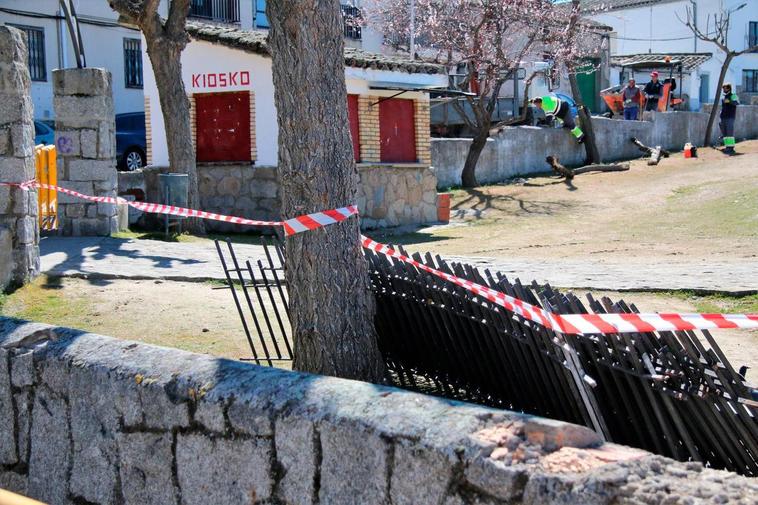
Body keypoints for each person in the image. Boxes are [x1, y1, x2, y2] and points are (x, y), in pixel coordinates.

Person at [719, 82, 739, 154]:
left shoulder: (733, 95)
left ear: (728, 88)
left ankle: (730, 148)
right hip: (723, 117)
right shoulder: (724, 96)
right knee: (724, 132)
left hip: (730, 117)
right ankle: (727, 146)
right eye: (723, 88)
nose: (723, 89)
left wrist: (729, 101)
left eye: (724, 88)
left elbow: (736, 103)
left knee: (729, 133)